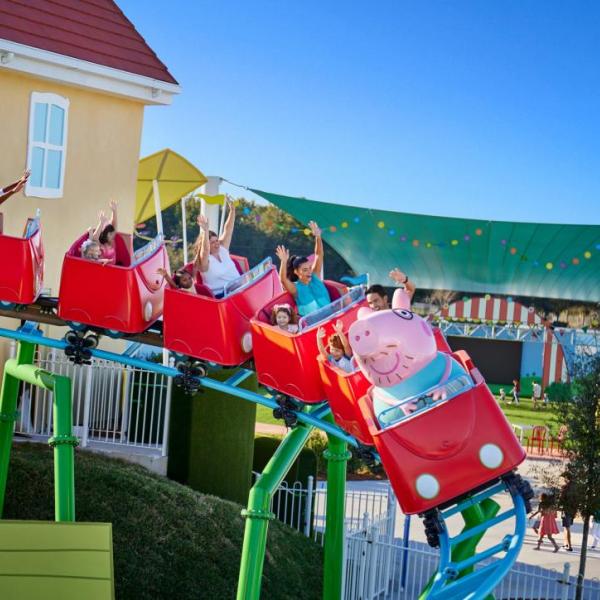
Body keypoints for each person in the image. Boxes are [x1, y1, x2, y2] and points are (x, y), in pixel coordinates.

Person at [275, 221, 331, 317]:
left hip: (332, 318)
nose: (309, 271)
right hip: (313, 325)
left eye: (309, 268)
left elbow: (318, 255)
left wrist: (318, 237)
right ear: (296, 272)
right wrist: (284, 262)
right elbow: (283, 280)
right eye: (305, 270)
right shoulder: (295, 289)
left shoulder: (315, 277)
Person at [195, 199, 239, 297]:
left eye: (217, 240)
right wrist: (205, 230)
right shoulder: (204, 261)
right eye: (212, 242)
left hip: (239, 288)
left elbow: (228, 230)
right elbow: (205, 250)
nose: (217, 244)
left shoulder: (222, 249)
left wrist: (232, 211)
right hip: (223, 296)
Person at [91, 200, 118, 265]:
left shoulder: (111, 241)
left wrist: (114, 211)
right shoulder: (100, 245)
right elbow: (94, 238)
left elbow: (114, 224)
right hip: (104, 270)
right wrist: (101, 222)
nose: (113, 235)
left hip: (114, 268)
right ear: (104, 234)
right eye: (110, 234)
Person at [559, 477, 577, 552]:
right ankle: (565, 543)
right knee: (566, 527)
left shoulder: (565, 488)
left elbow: (560, 500)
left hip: (566, 510)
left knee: (567, 528)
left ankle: (569, 546)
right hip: (572, 510)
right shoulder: (576, 489)